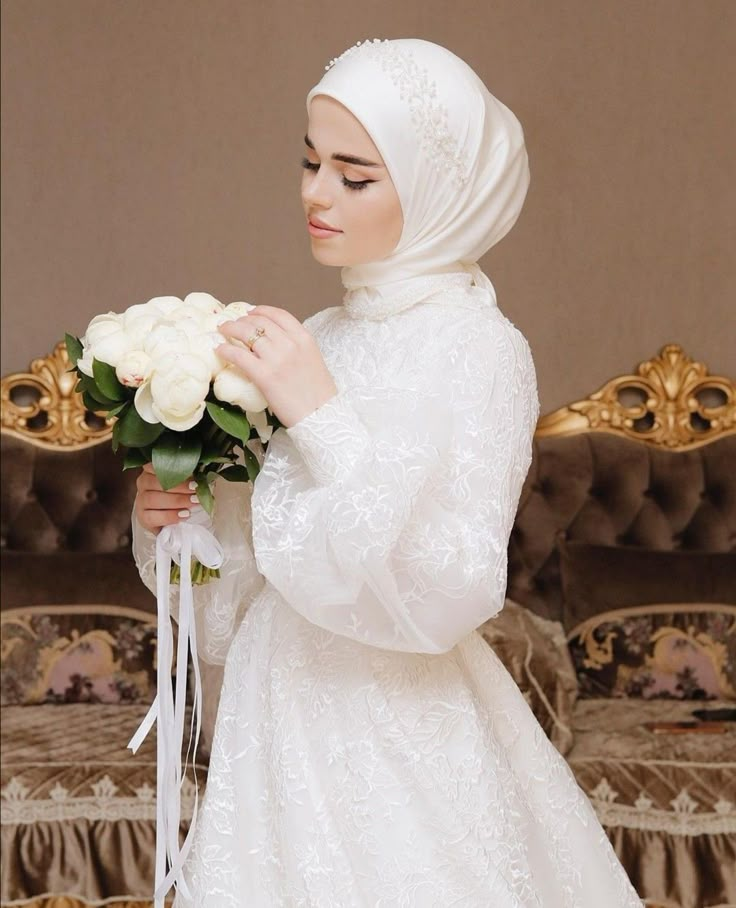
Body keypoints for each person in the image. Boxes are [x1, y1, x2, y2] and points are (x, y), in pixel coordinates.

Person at [132, 37, 644, 908]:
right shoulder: (319, 336)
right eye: (308, 162)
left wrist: (319, 415)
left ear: (439, 190)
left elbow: (451, 587)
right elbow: (247, 587)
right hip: (274, 713)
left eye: (354, 176)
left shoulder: (481, 350)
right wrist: (180, 519)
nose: (314, 193)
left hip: (394, 726)